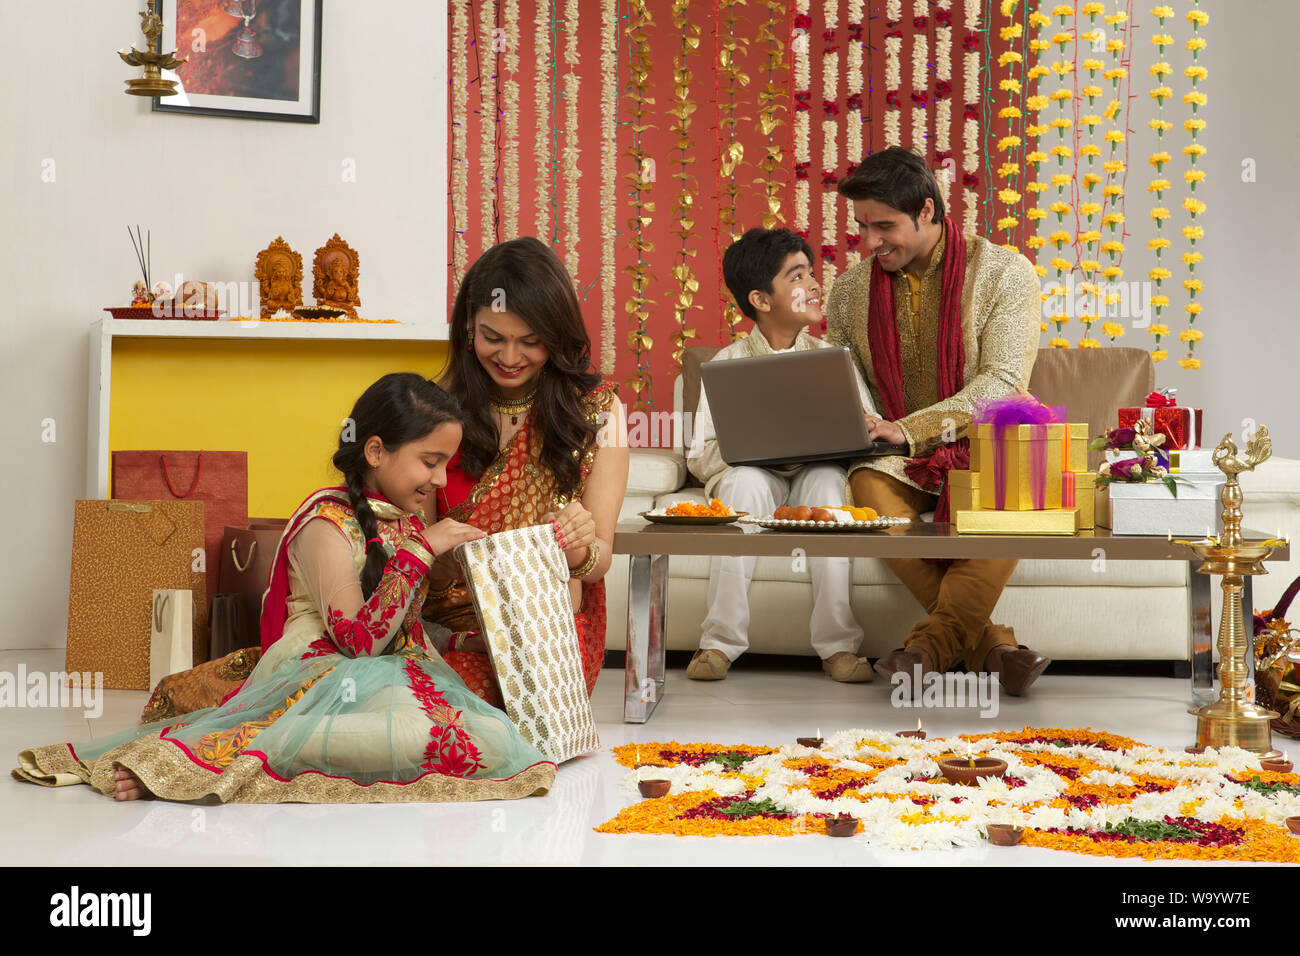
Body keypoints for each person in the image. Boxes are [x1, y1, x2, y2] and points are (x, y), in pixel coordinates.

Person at [14, 374, 557, 802]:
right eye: (430, 462)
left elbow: (402, 632)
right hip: (318, 676)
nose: (440, 481)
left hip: (383, 679)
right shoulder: (328, 523)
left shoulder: (401, 521)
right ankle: (201, 754)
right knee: (435, 737)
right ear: (374, 452)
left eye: (445, 465)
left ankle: (281, 747)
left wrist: (461, 642)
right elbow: (358, 641)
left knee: (480, 738)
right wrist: (420, 552)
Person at [825, 146, 1051, 695]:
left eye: (885, 226)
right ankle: (992, 647)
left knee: (1018, 486)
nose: (870, 242)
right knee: (864, 481)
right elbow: (843, 382)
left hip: (987, 445)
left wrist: (911, 427)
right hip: (899, 459)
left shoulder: (1004, 272)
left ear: (928, 211)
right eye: (861, 227)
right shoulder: (852, 290)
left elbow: (1002, 381)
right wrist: (854, 418)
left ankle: (928, 648)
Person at [425, 237, 629, 704]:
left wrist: (578, 549)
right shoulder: (437, 410)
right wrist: (434, 553)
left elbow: (600, 559)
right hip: (445, 624)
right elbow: (411, 549)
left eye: (531, 341)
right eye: (493, 338)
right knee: (402, 704)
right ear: (468, 329)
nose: (510, 357)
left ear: (557, 338)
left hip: (544, 634)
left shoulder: (598, 412)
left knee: (464, 717)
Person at [683, 227, 877, 683]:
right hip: (755, 476)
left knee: (829, 483)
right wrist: (753, 454)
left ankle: (838, 647)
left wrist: (861, 429)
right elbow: (700, 455)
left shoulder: (834, 358)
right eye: (797, 276)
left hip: (816, 473)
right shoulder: (728, 364)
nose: (813, 285)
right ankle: (718, 643)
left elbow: (870, 430)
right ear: (761, 299)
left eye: (811, 273)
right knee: (742, 484)